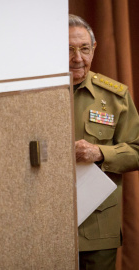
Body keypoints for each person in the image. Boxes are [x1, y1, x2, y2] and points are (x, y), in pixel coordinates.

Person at [69, 14, 139, 270]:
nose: (78, 58)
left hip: (97, 225)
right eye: (69, 50)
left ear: (94, 48)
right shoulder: (37, 96)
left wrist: (100, 152)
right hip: (46, 221)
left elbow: (137, 150)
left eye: (85, 49)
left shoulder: (115, 96)